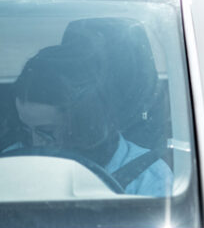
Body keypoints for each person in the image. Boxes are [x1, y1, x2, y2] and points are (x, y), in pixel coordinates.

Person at [7, 44, 172, 196]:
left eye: (47, 132)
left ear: (83, 124)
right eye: (27, 130)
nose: (35, 143)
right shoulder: (12, 165)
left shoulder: (147, 177)